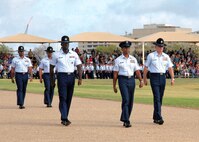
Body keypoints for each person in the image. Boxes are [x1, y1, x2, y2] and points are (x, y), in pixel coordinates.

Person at [50, 36, 82, 126]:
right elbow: (51, 68)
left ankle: (65, 115)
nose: (65, 44)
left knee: (69, 98)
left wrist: (80, 78)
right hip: (61, 76)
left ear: (69, 44)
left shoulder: (74, 54)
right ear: (61, 44)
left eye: (67, 43)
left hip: (71, 76)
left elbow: (79, 66)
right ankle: (64, 118)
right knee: (63, 97)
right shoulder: (56, 54)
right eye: (64, 43)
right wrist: (52, 80)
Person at [143, 38, 174, 125]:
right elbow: (146, 67)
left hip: (162, 77)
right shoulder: (151, 56)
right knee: (157, 97)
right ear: (156, 47)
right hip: (154, 77)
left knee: (160, 98)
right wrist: (144, 78)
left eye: (162, 47)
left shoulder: (166, 56)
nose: (161, 48)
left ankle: (155, 117)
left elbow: (170, 68)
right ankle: (159, 117)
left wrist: (172, 78)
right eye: (159, 46)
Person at [113, 41, 143, 128]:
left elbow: (137, 71)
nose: (127, 49)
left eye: (128, 47)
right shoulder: (118, 60)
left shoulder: (133, 59)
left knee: (130, 101)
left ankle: (126, 117)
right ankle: (126, 120)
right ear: (122, 49)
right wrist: (114, 86)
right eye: (125, 48)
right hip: (122, 80)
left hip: (131, 80)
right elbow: (115, 74)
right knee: (126, 99)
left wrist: (140, 81)